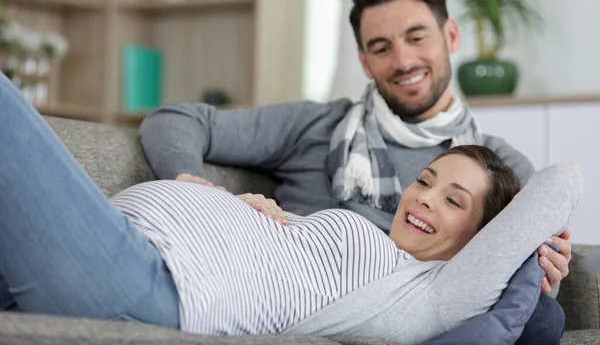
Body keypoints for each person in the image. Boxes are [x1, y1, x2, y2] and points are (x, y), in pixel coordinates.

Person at [139, 0, 573, 343]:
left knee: (542, 316)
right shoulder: (318, 125)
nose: (403, 60)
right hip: (298, 300)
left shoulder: (501, 166)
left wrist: (543, 269)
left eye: (416, 37)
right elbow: (176, 119)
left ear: (451, 36)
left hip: (422, 314)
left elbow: (518, 278)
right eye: (381, 47)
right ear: (364, 62)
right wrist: (190, 183)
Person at [0, 71, 582, 345]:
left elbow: (563, 181)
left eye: (453, 201)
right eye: (426, 181)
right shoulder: (376, 247)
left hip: (141, 285)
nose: (423, 198)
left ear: (482, 236)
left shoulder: (433, 296)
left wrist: (529, 249)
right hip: (133, 241)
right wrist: (242, 213)